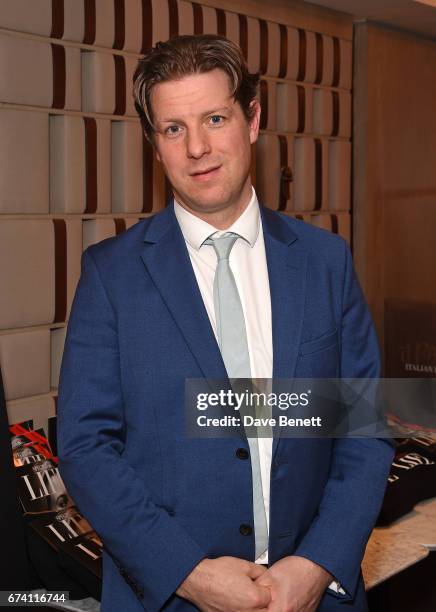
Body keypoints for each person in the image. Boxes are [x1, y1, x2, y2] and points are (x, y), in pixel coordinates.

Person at [57, 34, 394, 612]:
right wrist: (187, 574)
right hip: (169, 597)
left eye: (214, 117)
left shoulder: (326, 262)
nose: (198, 148)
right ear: (154, 143)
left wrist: (316, 565)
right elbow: (86, 447)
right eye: (173, 128)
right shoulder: (110, 276)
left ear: (253, 118)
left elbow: (363, 429)